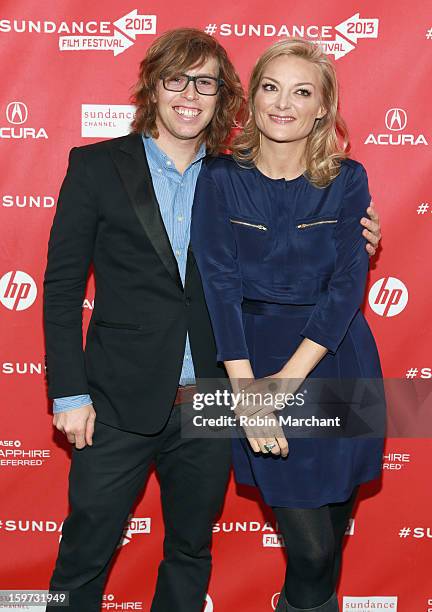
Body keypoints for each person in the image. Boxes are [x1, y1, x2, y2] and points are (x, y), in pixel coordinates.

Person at [43, 29, 381, 611]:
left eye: (205, 82)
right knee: (86, 548)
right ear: (153, 85)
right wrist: (69, 392)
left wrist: (357, 239)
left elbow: (324, 264)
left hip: (224, 390)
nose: (190, 95)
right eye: (177, 79)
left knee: (203, 548)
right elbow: (64, 287)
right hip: (131, 392)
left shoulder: (241, 173)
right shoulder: (105, 166)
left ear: (223, 95)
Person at [191, 38, 385, 612]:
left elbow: (348, 286)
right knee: (311, 552)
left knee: (330, 541)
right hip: (253, 358)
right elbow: (219, 288)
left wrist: (286, 382)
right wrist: (251, 391)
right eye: (271, 88)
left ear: (323, 107)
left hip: (339, 357)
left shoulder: (348, 179)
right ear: (252, 98)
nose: (284, 104)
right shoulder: (220, 178)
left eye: (302, 92)